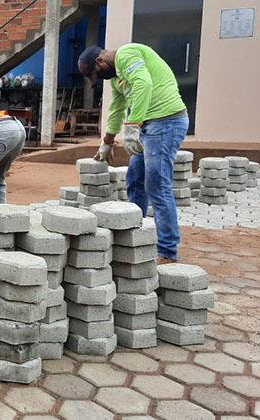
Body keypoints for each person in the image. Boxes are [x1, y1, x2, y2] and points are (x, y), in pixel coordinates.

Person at [78, 44, 188, 264]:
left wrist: (132, 125)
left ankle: (167, 251)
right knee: (135, 179)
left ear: (100, 62)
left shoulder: (127, 54)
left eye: (97, 75)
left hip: (166, 122)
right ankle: (133, 236)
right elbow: (117, 108)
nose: (100, 78)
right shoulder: (116, 77)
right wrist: (107, 142)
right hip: (148, 128)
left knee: (157, 185)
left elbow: (143, 84)